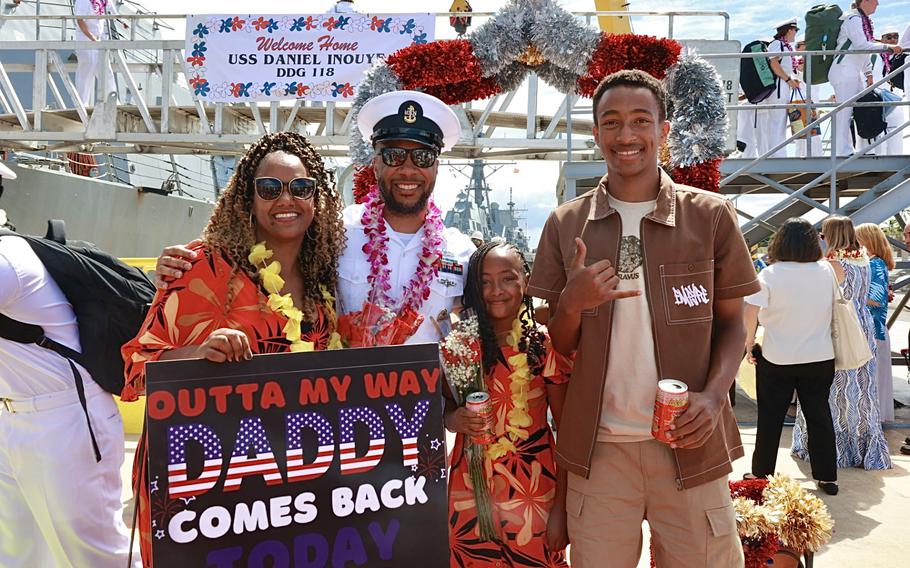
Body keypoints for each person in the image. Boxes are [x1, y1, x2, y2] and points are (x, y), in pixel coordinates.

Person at [529, 69, 759, 567]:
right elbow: (561, 346)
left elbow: (734, 325)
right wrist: (572, 302)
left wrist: (715, 395)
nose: (626, 135)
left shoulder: (711, 216)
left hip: (690, 443)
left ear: (664, 131)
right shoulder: (567, 224)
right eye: (611, 122)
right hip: (600, 450)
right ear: (596, 133)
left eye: (640, 121)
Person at [120, 131, 346, 566]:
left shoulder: (325, 282)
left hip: (290, 483)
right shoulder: (205, 267)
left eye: (301, 188)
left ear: (316, 199)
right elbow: (135, 367)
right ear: (249, 197)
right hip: (207, 488)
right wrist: (200, 351)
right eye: (269, 188)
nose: (287, 199)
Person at [153, 91, 474, 346]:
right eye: (393, 155)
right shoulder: (338, 231)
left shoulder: (460, 253)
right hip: (344, 413)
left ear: (435, 165)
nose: (407, 169)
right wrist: (188, 266)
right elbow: (266, 242)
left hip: (426, 417)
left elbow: (488, 325)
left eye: (422, 156)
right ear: (375, 163)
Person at [0, 172, 139, 564]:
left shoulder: (8, 260)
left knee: (96, 557)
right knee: (20, 555)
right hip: (14, 417)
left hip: (64, 423)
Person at [445, 242, 570, 566]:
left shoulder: (542, 344)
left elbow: (568, 431)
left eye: (507, 278)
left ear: (526, 281)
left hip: (533, 493)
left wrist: (562, 508)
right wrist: (453, 418)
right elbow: (442, 409)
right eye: (484, 282)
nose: (496, 290)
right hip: (468, 492)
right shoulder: (459, 346)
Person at [742, 218, 838, 495]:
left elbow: (751, 312)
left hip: (777, 356)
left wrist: (749, 344)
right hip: (820, 356)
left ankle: (761, 473)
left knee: (770, 417)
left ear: (780, 242)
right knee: (819, 414)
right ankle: (827, 476)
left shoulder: (770, 274)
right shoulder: (825, 271)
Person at [792, 215, 891, 471]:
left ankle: (834, 449)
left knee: (830, 392)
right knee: (862, 392)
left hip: (837, 329)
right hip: (861, 328)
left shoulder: (834, 265)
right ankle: (864, 447)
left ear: (831, 236)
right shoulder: (865, 260)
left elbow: (817, 299)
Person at [828, 0, 903, 156]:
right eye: (875, 0)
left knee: (863, 109)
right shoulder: (853, 18)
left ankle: (859, 149)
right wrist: (887, 47)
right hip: (844, 70)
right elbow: (861, 45)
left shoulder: (862, 20)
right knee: (845, 112)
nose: (878, 4)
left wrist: (868, 73)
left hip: (853, 72)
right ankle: (842, 151)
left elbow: (862, 50)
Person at [855, 223, 895, 422]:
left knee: (873, 380)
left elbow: (876, 298)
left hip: (873, 330)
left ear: (867, 241)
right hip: (872, 329)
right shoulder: (873, 263)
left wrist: (848, 296)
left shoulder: (875, 264)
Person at [762, 18, 801, 158]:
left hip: (783, 85)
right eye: (795, 30)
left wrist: (791, 79)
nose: (796, 33)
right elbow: (774, 64)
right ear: (789, 30)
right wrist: (788, 79)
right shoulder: (777, 44)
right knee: (776, 121)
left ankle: (778, 153)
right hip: (779, 86)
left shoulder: (783, 45)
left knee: (780, 121)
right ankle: (775, 154)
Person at [74, 0, 119, 105]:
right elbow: (80, 20)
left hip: (99, 41)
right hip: (86, 40)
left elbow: (114, 14)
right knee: (86, 72)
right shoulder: (83, 1)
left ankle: (113, 101)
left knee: (105, 71)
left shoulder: (103, 1)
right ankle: (82, 105)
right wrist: (92, 38)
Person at [869, 29, 906, 155]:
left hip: (897, 99)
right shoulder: (874, 56)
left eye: (896, 36)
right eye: (888, 37)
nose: (893, 39)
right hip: (880, 99)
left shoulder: (902, 56)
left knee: (896, 137)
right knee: (879, 136)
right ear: (882, 39)